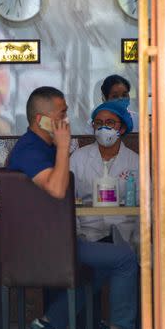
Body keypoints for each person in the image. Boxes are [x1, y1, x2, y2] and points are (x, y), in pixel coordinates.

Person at [7, 86, 141, 329]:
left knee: (105, 265)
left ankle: (47, 324)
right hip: (41, 245)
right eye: (62, 114)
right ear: (41, 120)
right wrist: (64, 146)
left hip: (54, 239)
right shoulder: (30, 149)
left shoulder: (43, 148)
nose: (66, 120)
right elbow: (57, 189)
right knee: (125, 258)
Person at [70, 100, 139, 252]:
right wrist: (77, 237)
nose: (103, 127)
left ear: (121, 128)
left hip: (124, 238)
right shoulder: (78, 158)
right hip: (88, 237)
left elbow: (147, 205)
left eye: (110, 122)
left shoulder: (135, 161)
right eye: (98, 123)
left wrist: (137, 245)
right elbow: (67, 201)